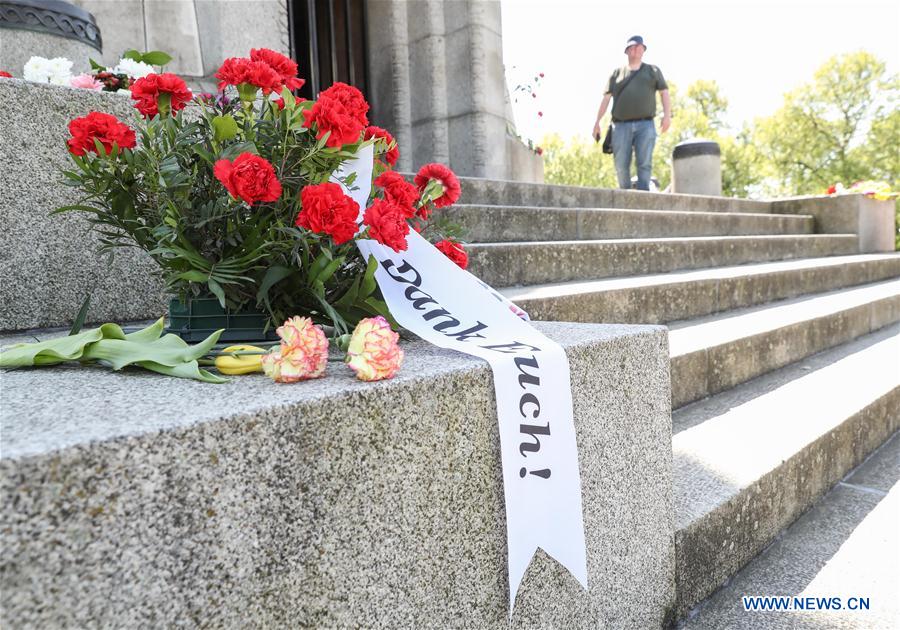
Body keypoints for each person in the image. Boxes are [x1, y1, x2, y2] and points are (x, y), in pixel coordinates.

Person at [593, 35, 671, 191]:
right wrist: (597, 122)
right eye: (633, 47)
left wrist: (667, 115)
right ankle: (625, 196)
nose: (636, 50)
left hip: (646, 124)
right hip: (620, 126)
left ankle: (642, 198)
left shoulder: (653, 71)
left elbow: (664, 93)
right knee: (621, 165)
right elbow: (606, 99)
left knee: (644, 163)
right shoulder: (617, 73)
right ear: (627, 51)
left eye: (639, 47)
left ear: (643, 50)